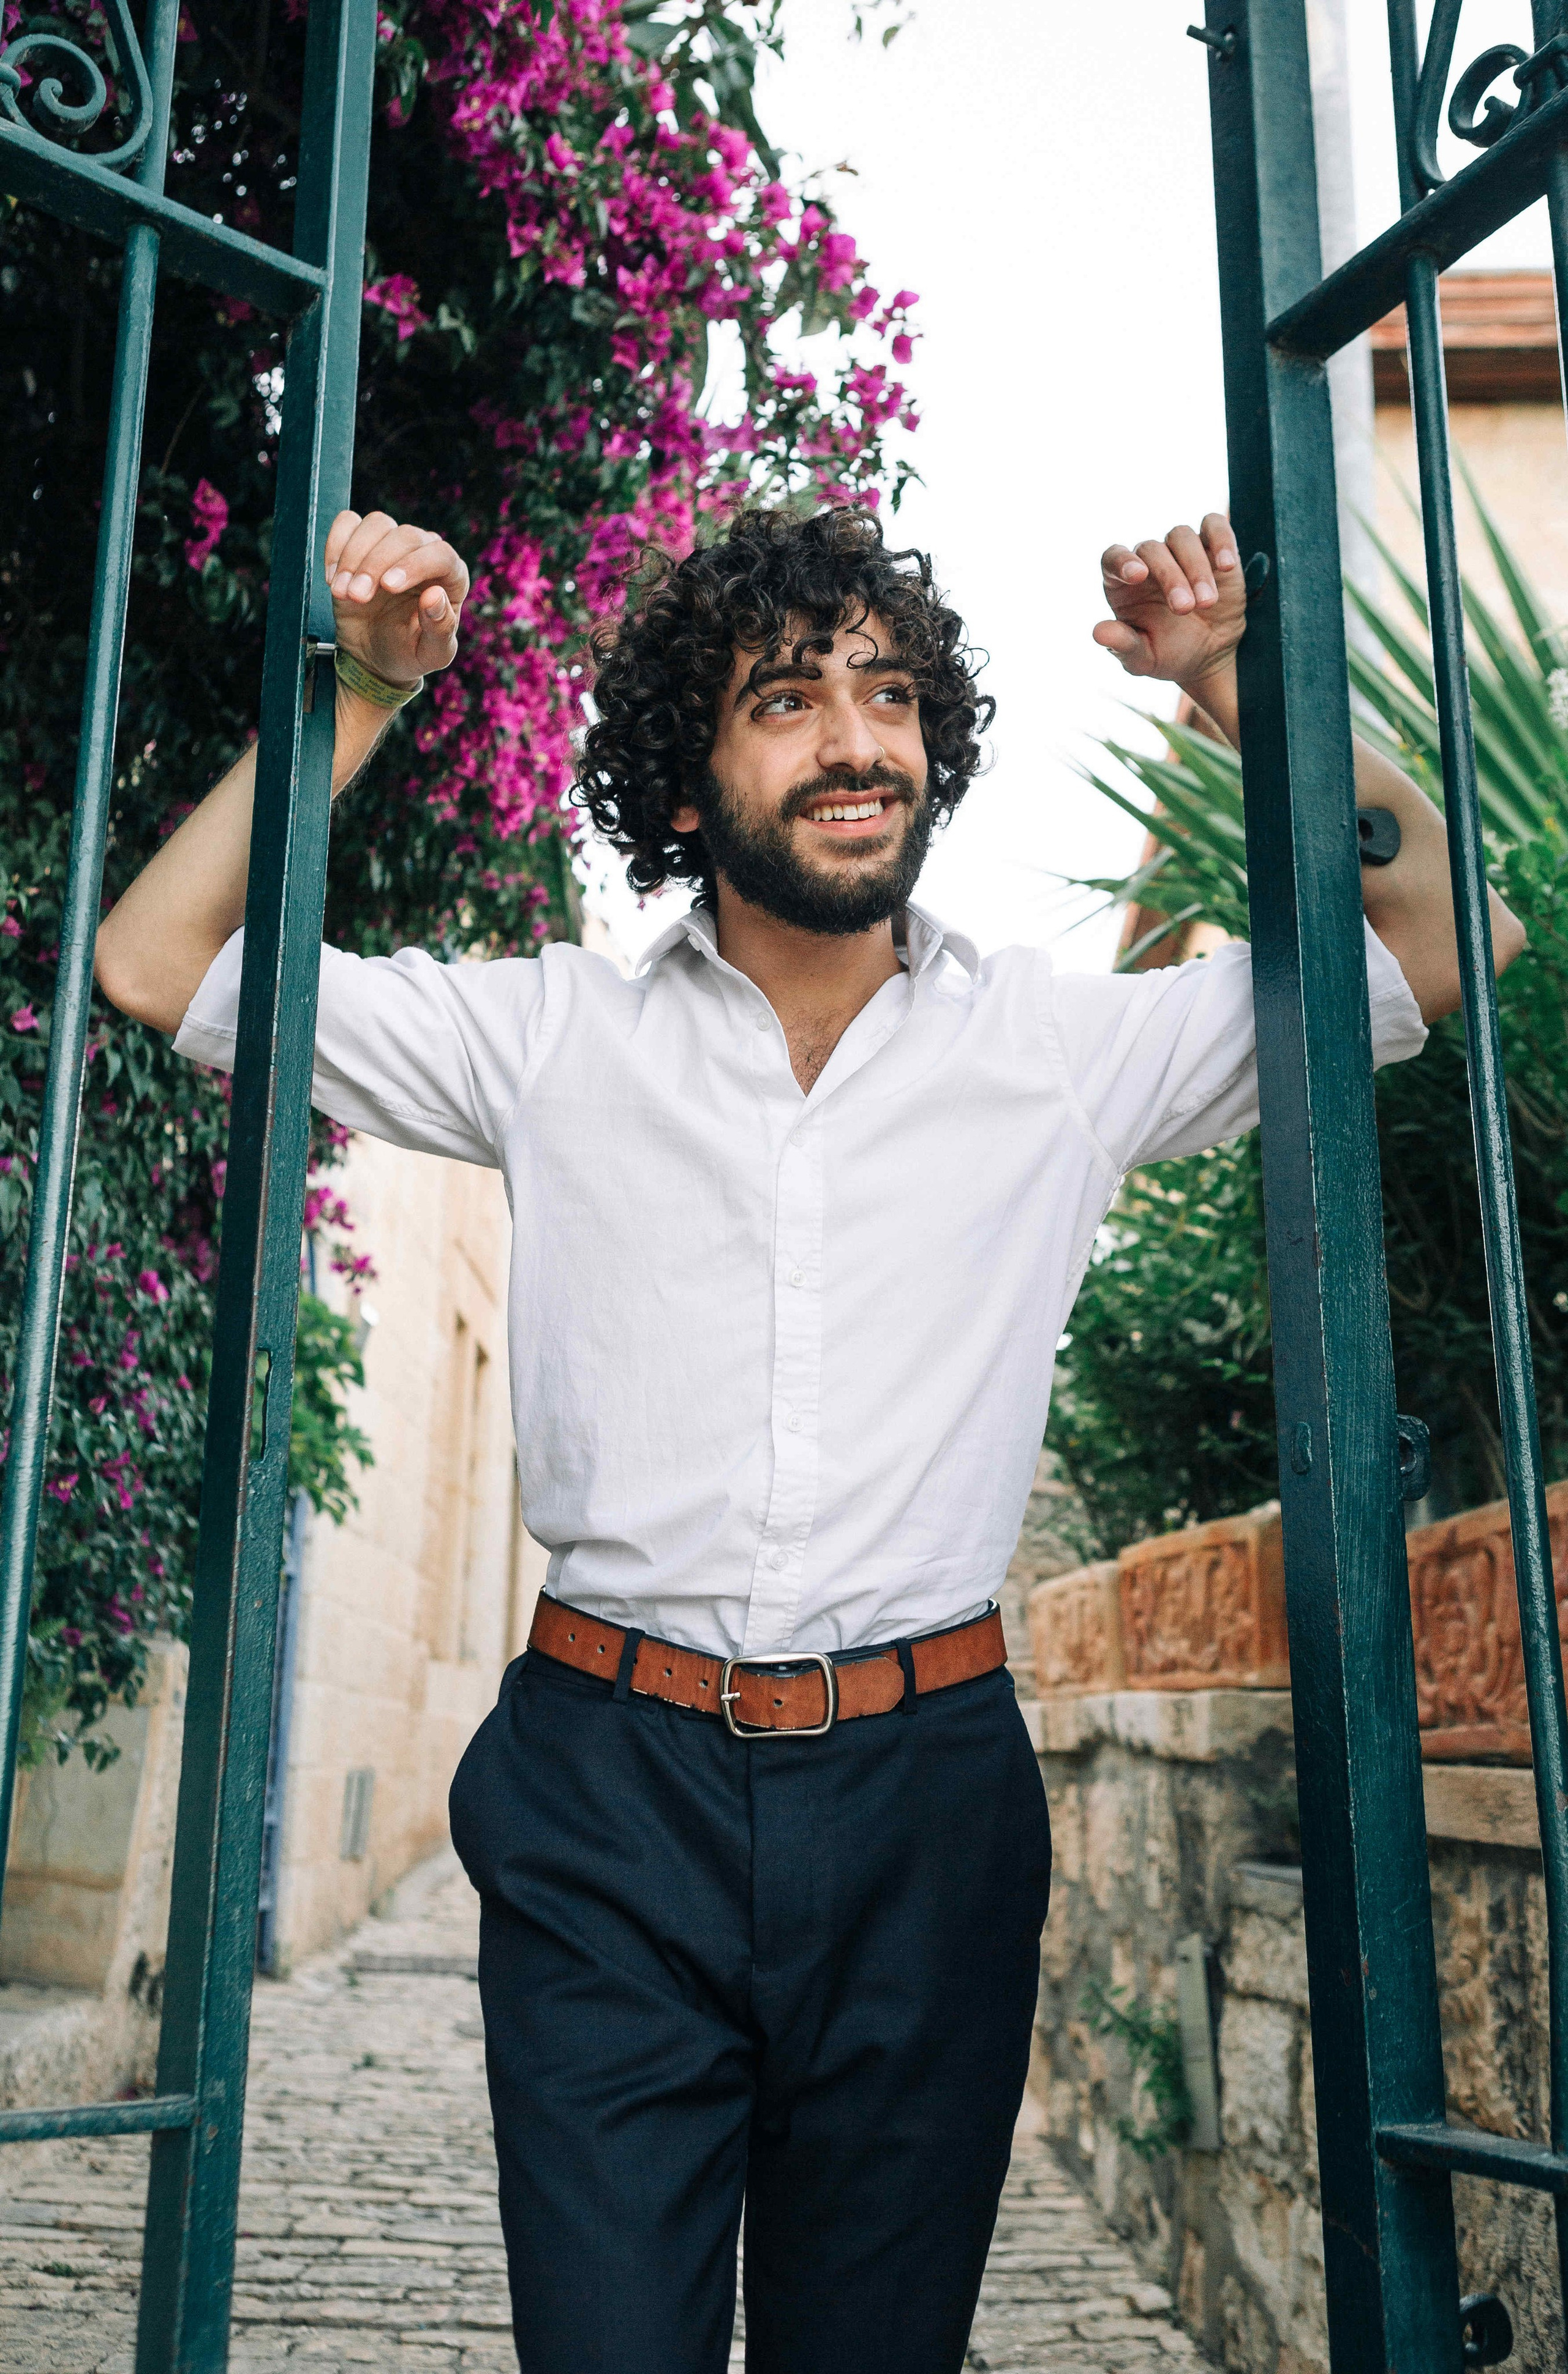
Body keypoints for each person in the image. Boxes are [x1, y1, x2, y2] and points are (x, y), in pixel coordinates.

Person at [95, 500, 1525, 2374]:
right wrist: (359, 689)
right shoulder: (553, 1038)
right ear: (687, 784)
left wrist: (1237, 676)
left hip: (929, 1805)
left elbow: (1455, 937)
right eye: (787, 699)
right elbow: (158, 960)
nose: (859, 739)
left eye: (891, 693)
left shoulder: (1061, 1053)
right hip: (609, 1796)